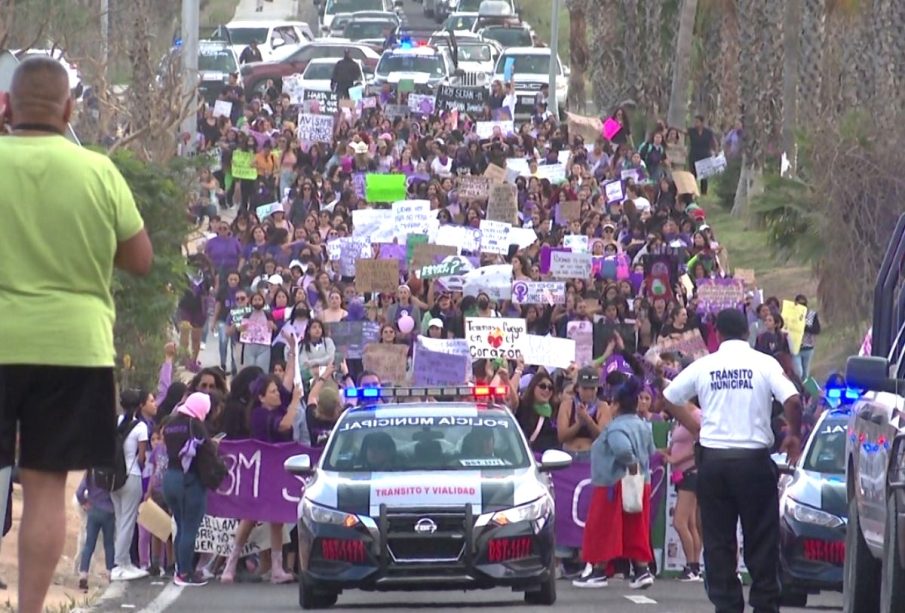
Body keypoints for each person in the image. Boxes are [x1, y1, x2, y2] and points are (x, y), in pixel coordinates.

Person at [0, 56, 152, 613]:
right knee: (44, 489)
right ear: (68, 110)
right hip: (74, 349)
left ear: (8, 107)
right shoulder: (97, 172)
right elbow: (140, 259)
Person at [662, 308, 803, 613]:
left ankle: (727, 605)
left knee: (718, 541)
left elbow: (669, 396)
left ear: (718, 333)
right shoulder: (764, 363)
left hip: (713, 463)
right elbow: (792, 399)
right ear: (746, 334)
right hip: (753, 461)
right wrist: (793, 434)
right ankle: (765, 604)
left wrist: (696, 428)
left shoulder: (705, 365)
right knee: (761, 540)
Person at [572, 376, 655, 589]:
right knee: (635, 528)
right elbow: (651, 451)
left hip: (613, 483)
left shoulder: (616, 428)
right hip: (639, 484)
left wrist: (631, 463)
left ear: (616, 405)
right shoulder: (643, 425)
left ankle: (598, 571)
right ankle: (641, 570)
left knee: (602, 527)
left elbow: (622, 449)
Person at [162, 392, 215, 586]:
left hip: (170, 478)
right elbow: (206, 452)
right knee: (190, 528)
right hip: (189, 480)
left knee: (181, 526)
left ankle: (180, 568)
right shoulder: (196, 425)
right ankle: (184, 573)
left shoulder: (170, 424)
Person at [110, 389, 152, 581]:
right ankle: (120, 564)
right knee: (128, 521)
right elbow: (141, 458)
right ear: (139, 405)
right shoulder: (141, 427)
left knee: (120, 520)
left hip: (113, 478)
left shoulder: (116, 421)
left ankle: (124, 562)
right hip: (131, 476)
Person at [75, 470, 115, 592]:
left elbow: (79, 492)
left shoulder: (90, 470)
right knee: (109, 544)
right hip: (109, 511)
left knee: (89, 544)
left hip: (93, 510)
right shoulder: (111, 470)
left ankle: (83, 574)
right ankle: (110, 573)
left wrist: (85, 503)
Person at [688, 115, 717, 195]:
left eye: (697, 122)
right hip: (694, 154)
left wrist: (715, 151)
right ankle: (692, 191)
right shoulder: (692, 131)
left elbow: (713, 141)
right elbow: (682, 132)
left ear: (702, 123)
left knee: (704, 176)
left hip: (704, 154)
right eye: (695, 122)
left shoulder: (708, 132)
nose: (695, 123)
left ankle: (703, 192)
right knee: (693, 174)